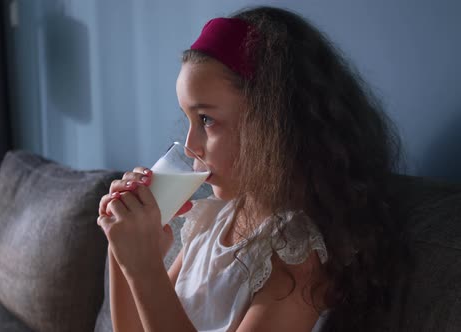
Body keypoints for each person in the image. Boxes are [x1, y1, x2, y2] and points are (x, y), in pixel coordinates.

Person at [97, 5, 408, 332]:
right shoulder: (211, 222)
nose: (190, 145)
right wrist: (122, 250)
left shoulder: (298, 256)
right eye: (189, 119)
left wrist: (145, 267)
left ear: (273, 125)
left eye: (206, 120)